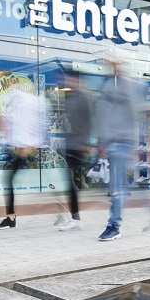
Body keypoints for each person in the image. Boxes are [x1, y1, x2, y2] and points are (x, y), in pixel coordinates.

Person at [95, 61, 142, 241]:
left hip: (123, 143)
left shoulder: (128, 86)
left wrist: (131, 143)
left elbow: (133, 114)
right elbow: (107, 118)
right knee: (117, 187)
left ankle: (114, 226)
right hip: (114, 144)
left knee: (117, 187)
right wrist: (104, 142)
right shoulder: (110, 85)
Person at [0, 89, 47, 230]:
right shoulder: (27, 106)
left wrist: (27, 145)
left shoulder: (27, 106)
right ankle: (11, 217)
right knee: (9, 180)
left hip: (25, 149)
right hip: (24, 148)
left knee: (9, 180)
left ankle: (11, 218)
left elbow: (29, 126)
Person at [58, 69, 92, 231]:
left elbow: (89, 121)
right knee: (69, 181)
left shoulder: (83, 97)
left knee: (70, 181)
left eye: (68, 79)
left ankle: (75, 216)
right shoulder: (71, 97)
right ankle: (73, 215)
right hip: (71, 143)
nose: (66, 82)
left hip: (78, 144)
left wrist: (85, 143)